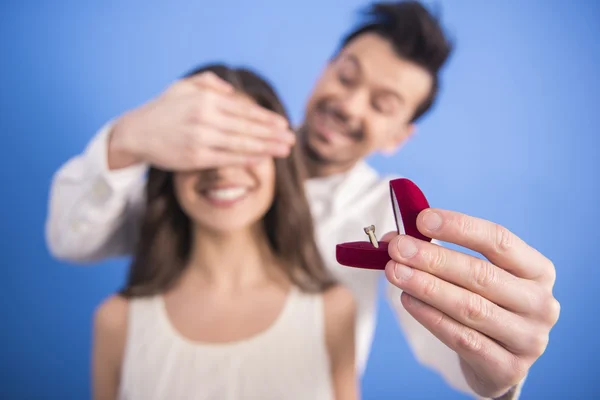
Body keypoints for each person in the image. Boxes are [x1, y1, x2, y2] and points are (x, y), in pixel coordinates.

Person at [46, 2, 560, 399]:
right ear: (325, 67)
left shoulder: (386, 219)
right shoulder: (205, 164)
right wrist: (128, 139)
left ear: (398, 136)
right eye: (347, 75)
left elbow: (451, 346)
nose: (348, 104)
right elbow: (71, 237)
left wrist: (496, 365)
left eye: (382, 104)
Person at [92, 64, 359, 400]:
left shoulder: (333, 310)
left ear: (280, 162)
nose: (223, 169)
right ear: (167, 165)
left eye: (246, 144)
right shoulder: (117, 322)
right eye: (203, 147)